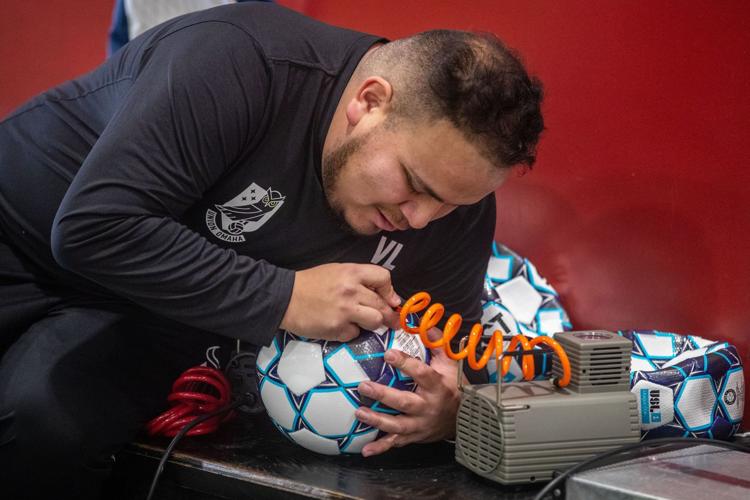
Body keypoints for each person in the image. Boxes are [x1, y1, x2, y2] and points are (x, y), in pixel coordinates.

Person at [0, 2, 543, 497]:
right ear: (369, 102)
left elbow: (448, 349)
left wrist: (450, 409)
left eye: (449, 203)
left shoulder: (456, 207)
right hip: (20, 236)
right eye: (414, 183)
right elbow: (94, 227)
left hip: (156, 305)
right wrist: (284, 295)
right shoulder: (240, 59)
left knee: (45, 423)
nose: (420, 219)